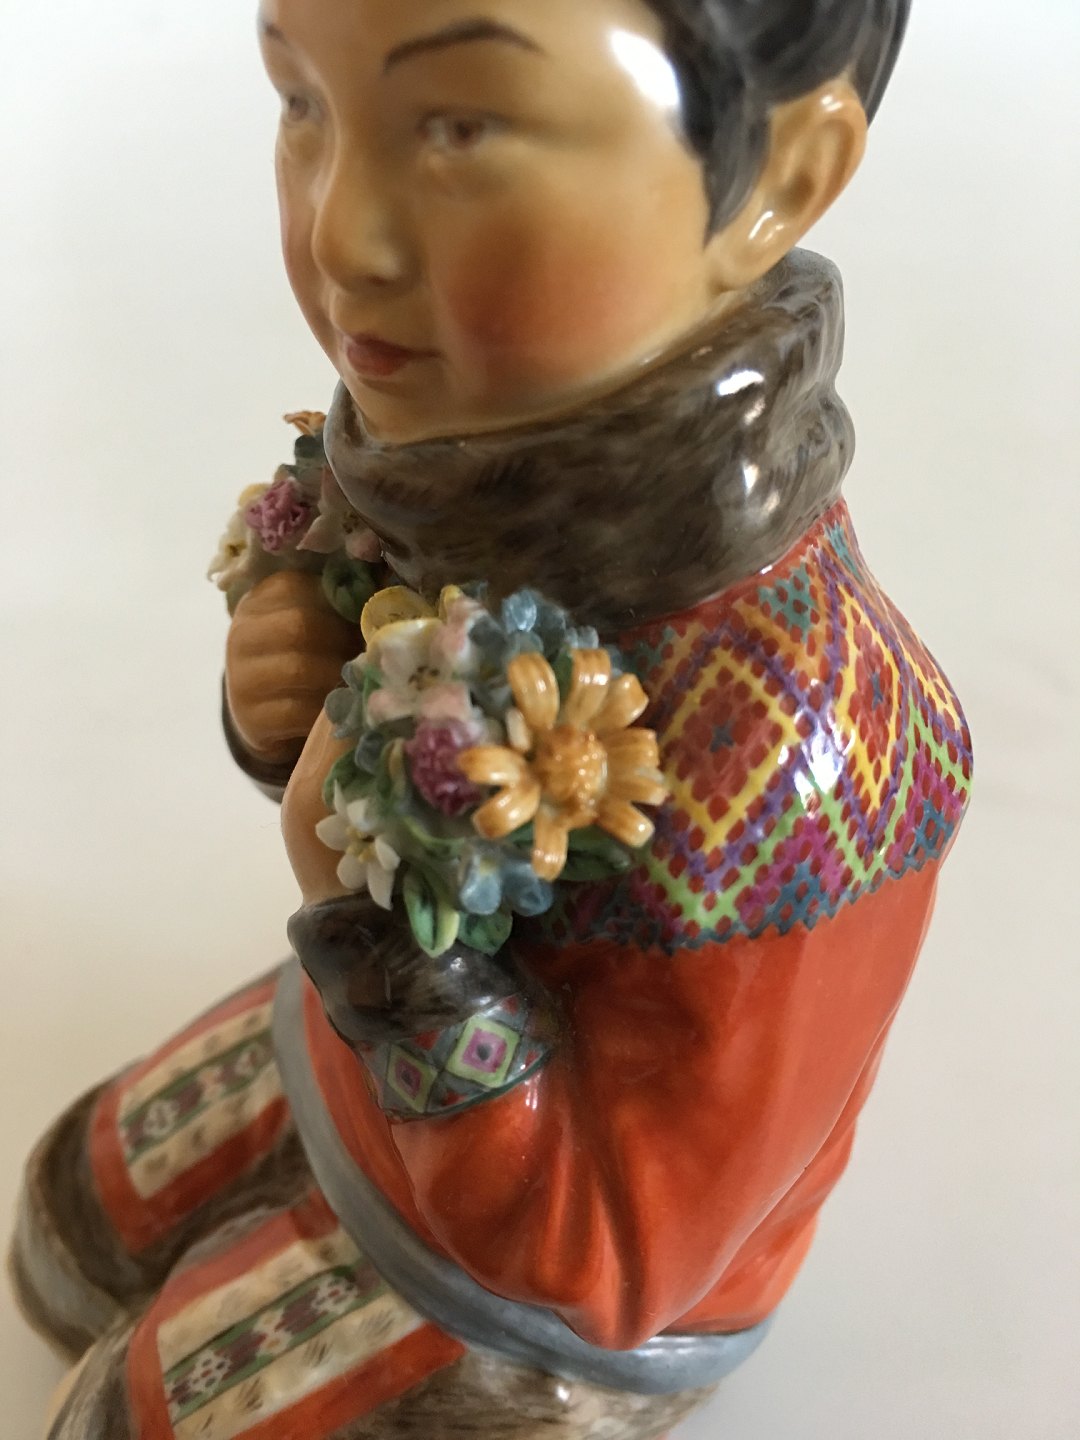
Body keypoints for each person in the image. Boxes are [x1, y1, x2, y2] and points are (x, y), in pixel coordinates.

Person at [11, 3, 973, 1437]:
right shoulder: (446, 452)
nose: (342, 234)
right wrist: (287, 692)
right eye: (301, 103)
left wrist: (386, 938)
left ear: (779, 177)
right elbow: (371, 751)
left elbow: (616, 1256)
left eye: (458, 128)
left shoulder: (806, 747)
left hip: (527, 1276)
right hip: (347, 1056)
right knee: (70, 1216)